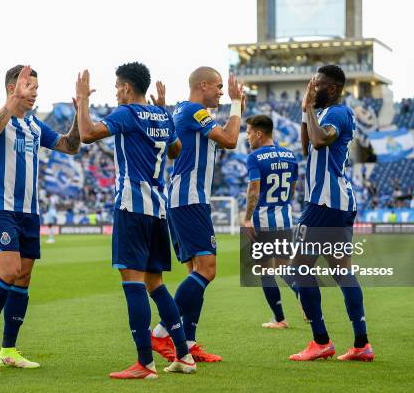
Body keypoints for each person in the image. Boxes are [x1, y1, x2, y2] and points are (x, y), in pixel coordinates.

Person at [75, 62, 195, 379]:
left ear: (127, 88)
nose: (116, 93)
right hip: (158, 209)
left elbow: (86, 134)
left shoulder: (126, 114)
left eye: (117, 87)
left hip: (131, 205)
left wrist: (82, 100)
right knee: (155, 284)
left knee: (133, 283)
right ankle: (184, 355)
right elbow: (176, 150)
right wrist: (162, 118)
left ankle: (145, 363)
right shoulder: (163, 116)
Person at [0, 65, 81, 370]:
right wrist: (11, 102)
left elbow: (69, 147)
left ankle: (9, 349)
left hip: (29, 212)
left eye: (35, 87)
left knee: (23, 278)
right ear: (12, 88)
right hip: (1, 207)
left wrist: (77, 116)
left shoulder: (35, 126)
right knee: (9, 270)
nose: (35, 92)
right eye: (28, 86)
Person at [150, 67, 244, 363]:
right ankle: (162, 331)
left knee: (195, 271)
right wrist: (236, 103)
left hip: (185, 199)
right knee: (207, 269)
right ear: (202, 85)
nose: (220, 91)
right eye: (217, 86)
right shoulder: (194, 111)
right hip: (190, 200)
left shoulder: (182, 111)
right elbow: (230, 139)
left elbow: (176, 151)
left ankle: (187, 343)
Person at [291, 65, 374, 362]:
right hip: (333, 203)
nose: (314, 88)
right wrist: (306, 111)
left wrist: (310, 110)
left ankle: (321, 341)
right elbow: (305, 148)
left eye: (319, 84)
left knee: (298, 267)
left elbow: (318, 140)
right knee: (341, 270)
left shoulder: (338, 113)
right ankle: (362, 344)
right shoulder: (322, 113)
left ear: (334, 88)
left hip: (325, 203)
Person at [242, 115, 299, 329]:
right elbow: (293, 190)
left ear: (259, 133)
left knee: (265, 270)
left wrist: (247, 217)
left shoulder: (255, 157)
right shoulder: (290, 155)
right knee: (284, 268)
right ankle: (304, 296)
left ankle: (280, 318)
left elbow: (254, 189)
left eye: (248, 132)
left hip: (263, 220)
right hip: (284, 218)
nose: (247, 137)